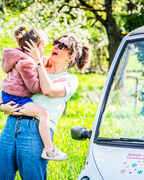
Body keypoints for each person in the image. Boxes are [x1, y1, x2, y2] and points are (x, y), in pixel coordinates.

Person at [0, 31, 91, 179]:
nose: (56, 46)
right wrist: (2, 106)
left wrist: (38, 63)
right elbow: (10, 86)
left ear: (70, 56)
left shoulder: (70, 79)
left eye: (62, 45)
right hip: (11, 125)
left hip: (36, 131)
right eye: (56, 42)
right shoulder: (32, 66)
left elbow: (48, 90)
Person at [0, 25, 67, 161]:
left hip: (9, 95)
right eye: (43, 47)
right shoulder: (27, 63)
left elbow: (39, 61)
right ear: (35, 47)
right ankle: (49, 149)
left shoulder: (19, 56)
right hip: (17, 98)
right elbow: (34, 88)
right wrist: (55, 81)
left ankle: (49, 149)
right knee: (44, 114)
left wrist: (41, 61)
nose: (45, 51)